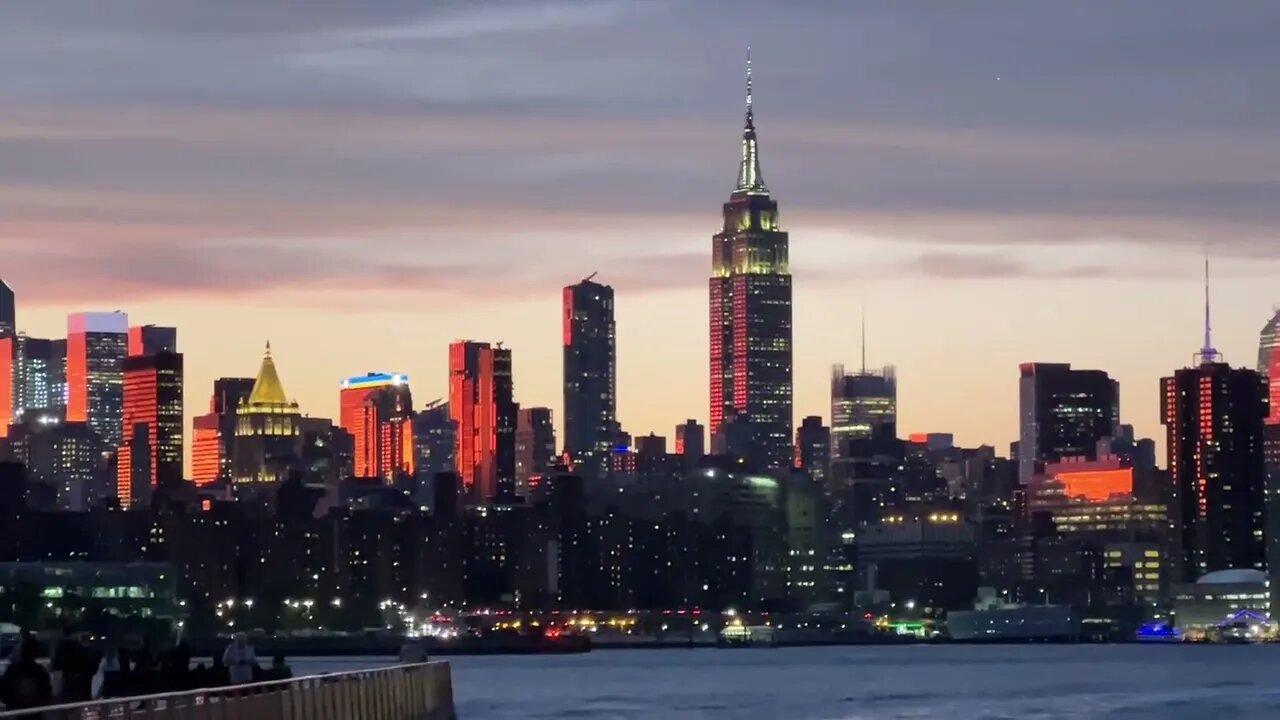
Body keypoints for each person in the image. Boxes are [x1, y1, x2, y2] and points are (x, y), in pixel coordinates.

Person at [1, 637, 53, 711]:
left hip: (14, 711)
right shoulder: (40, 672)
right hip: (34, 711)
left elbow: (4, 692)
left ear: (22, 651)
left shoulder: (12, 669)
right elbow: (46, 697)